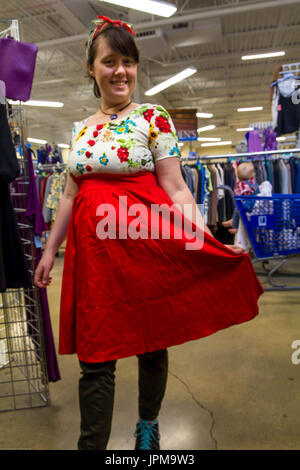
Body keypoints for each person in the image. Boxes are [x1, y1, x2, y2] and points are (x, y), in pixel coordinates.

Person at [34, 16, 264, 451]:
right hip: (94, 259)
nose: (120, 70)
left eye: (128, 61)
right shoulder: (80, 130)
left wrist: (203, 240)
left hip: (146, 249)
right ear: (92, 68)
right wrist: (50, 250)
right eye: (110, 61)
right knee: (96, 357)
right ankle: (91, 447)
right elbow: (68, 196)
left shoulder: (153, 117)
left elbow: (175, 186)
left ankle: (147, 427)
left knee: (150, 343)